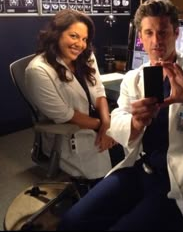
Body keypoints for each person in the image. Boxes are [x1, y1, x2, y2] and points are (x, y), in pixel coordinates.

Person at [57, 0, 183, 231]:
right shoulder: (134, 77)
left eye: (163, 32)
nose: (156, 41)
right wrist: (135, 121)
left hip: (181, 182)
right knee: (72, 222)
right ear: (140, 37)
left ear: (176, 32)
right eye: (149, 33)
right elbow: (117, 118)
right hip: (140, 169)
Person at [25, 9, 118, 181]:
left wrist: (107, 124)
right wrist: (103, 127)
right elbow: (65, 115)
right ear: (57, 34)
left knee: (131, 152)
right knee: (112, 173)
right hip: (68, 134)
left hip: (97, 123)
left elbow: (99, 91)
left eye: (84, 39)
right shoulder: (38, 70)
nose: (80, 44)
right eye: (74, 36)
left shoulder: (86, 55)